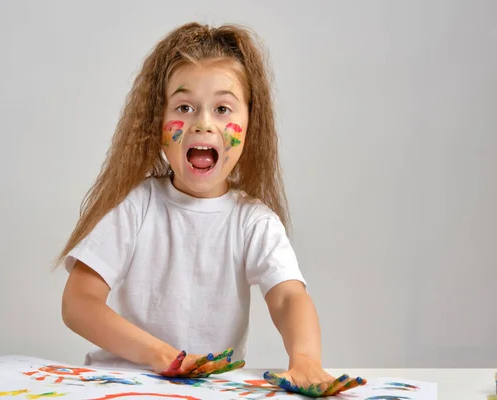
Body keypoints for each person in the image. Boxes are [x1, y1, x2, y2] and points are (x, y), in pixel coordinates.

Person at [56, 22, 365, 397]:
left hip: (206, 392)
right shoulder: (135, 207)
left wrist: (305, 359)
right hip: (122, 386)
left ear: (250, 125)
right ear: (157, 123)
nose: (203, 123)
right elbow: (78, 303)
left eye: (222, 109)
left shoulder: (253, 222)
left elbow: (288, 298)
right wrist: (161, 355)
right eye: (184, 107)